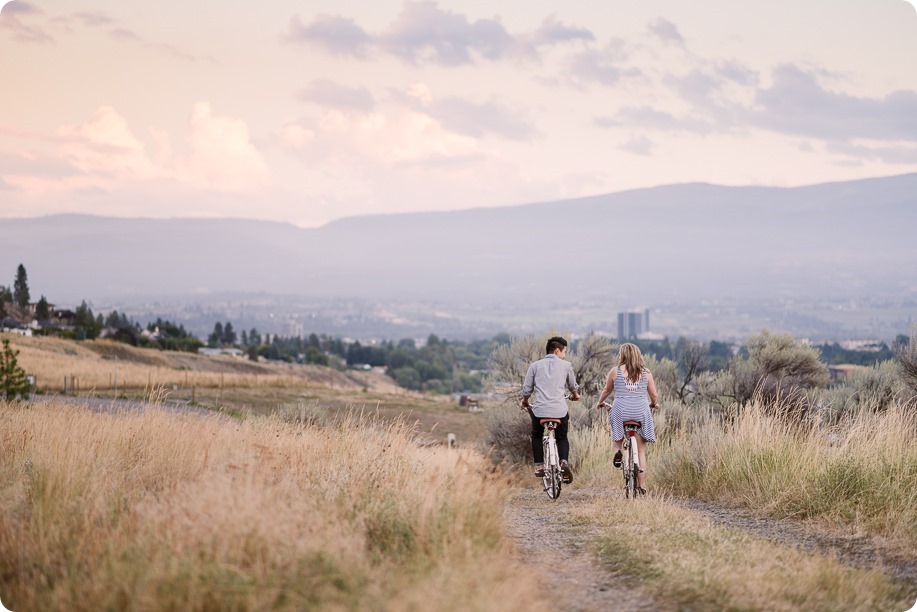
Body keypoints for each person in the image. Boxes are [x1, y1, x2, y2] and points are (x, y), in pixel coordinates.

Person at [595, 343, 658, 493]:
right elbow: (654, 395)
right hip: (640, 411)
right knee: (641, 451)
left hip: (621, 410)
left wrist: (600, 402)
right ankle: (642, 487)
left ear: (622, 356)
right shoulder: (646, 373)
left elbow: (607, 390)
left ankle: (618, 450)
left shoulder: (615, 371)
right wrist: (654, 404)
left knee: (617, 435)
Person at [521, 336, 580, 483]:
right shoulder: (566, 365)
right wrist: (575, 395)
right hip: (559, 411)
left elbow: (527, 390)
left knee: (536, 435)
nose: (564, 355)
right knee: (562, 437)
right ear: (557, 350)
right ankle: (563, 461)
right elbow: (573, 386)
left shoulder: (534, 366)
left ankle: (539, 466)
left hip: (540, 410)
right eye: (564, 352)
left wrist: (525, 402)